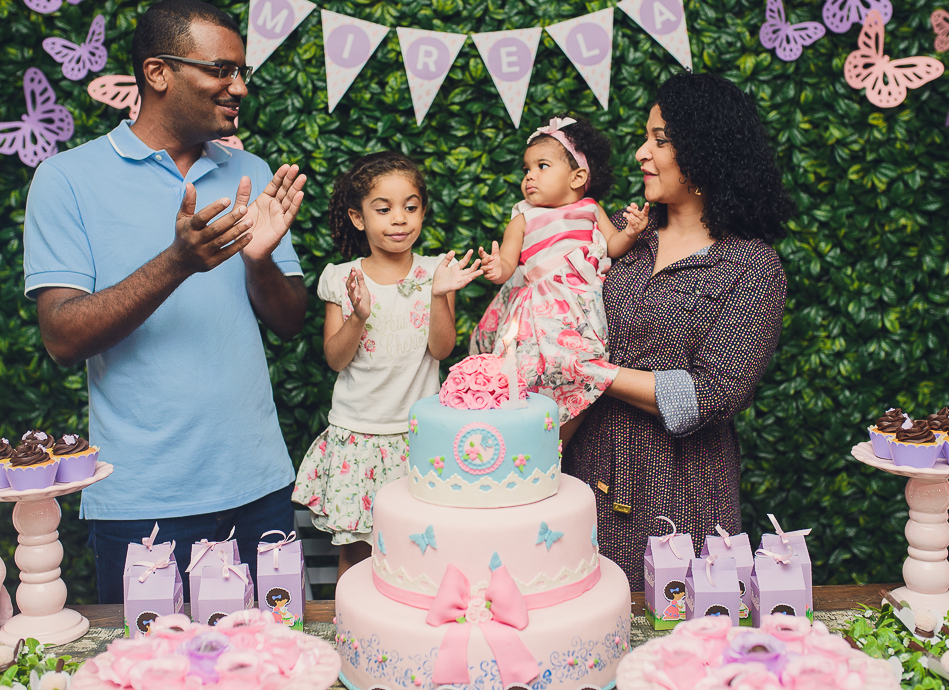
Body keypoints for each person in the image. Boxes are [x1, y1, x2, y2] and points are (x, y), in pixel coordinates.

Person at [23, 0, 308, 602]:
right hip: (143, 501)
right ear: (158, 73)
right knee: (150, 655)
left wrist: (259, 262)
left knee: (275, 650)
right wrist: (178, 263)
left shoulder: (250, 170)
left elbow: (289, 321)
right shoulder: (66, 179)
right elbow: (62, 337)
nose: (239, 87)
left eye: (241, 71)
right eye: (221, 70)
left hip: (259, 485)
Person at [563, 72, 796, 591]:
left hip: (679, 491)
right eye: (647, 137)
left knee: (676, 627)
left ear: (705, 153)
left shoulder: (750, 267)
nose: (642, 153)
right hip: (585, 474)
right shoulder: (623, 238)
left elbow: (712, 394)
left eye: (661, 140)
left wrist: (593, 372)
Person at [292, 152, 481, 576]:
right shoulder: (342, 278)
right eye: (383, 209)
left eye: (410, 207)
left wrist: (438, 295)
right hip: (358, 436)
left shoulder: (437, 272)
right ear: (358, 218)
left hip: (418, 435)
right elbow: (335, 358)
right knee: (358, 550)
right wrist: (359, 315)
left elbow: (441, 349)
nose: (399, 219)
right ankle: (352, 618)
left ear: (422, 212)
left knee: (422, 547)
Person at [469, 116, 649, 444]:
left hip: (582, 303)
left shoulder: (591, 210)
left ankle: (553, 438)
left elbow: (612, 246)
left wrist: (631, 232)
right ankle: (524, 434)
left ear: (578, 177)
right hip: (539, 307)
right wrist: (497, 268)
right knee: (527, 370)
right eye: (526, 169)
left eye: (542, 166)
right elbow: (509, 263)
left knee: (576, 367)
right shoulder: (523, 217)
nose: (530, 176)